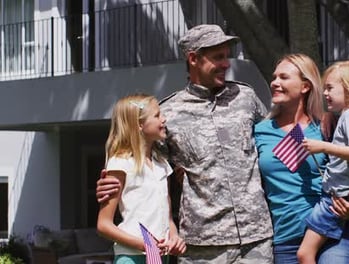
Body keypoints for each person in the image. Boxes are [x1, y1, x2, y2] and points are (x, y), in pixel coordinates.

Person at [97, 24, 274, 263]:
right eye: (218, 57)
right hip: (202, 246)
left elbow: (271, 141)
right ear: (194, 59)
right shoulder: (167, 112)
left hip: (257, 238)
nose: (226, 64)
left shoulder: (246, 97)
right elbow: (144, 165)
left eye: (227, 56)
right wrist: (111, 183)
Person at [254, 54, 349, 264]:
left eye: (284, 77)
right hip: (284, 238)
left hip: (332, 232)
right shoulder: (258, 131)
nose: (275, 82)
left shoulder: (330, 125)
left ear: (305, 86)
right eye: (274, 77)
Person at [296, 58, 349, 264]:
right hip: (342, 196)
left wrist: (323, 146)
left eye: (330, 88)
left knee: (304, 254)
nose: (325, 93)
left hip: (336, 198)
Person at [96, 94, 186, 264]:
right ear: (139, 124)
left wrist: (174, 237)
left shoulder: (162, 164)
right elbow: (103, 225)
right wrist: (144, 244)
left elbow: (167, 219)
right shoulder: (120, 163)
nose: (164, 119)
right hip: (131, 258)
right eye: (157, 115)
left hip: (161, 258)